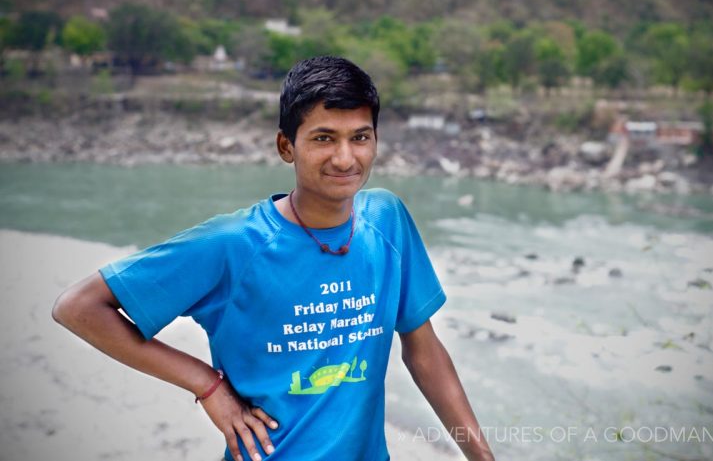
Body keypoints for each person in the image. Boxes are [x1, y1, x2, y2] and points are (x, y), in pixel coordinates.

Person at [52, 56, 495, 461]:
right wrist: (207, 385)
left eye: (360, 137)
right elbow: (78, 307)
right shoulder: (233, 244)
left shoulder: (387, 220)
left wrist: (481, 456)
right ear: (287, 146)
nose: (345, 157)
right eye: (324, 138)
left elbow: (425, 354)